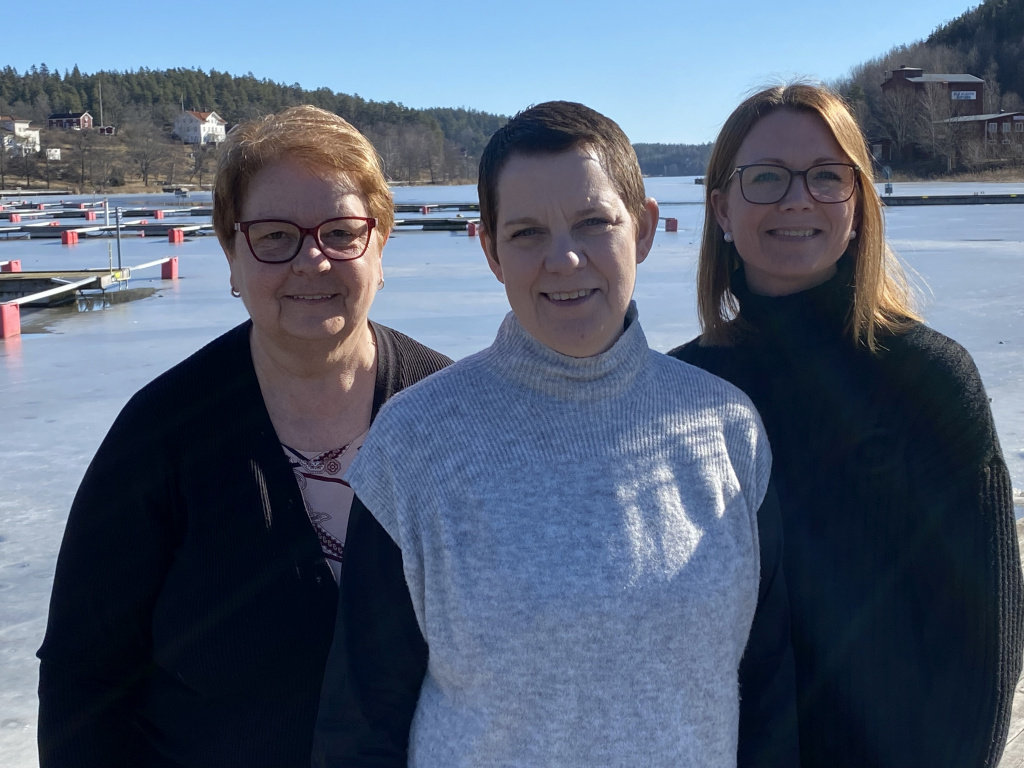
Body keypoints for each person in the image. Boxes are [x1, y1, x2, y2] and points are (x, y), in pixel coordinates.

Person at [313, 101, 797, 768]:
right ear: (489, 250)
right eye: (527, 234)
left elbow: (768, 695)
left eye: (594, 223)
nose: (565, 259)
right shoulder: (414, 445)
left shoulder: (728, 432)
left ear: (646, 229)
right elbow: (361, 724)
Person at [36, 105, 452, 768]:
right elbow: (83, 683)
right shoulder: (161, 435)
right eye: (275, 236)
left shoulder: (454, 420)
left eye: (342, 232)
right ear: (231, 254)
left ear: (382, 247)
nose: (312, 260)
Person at [670, 83, 1024, 768]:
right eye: (765, 178)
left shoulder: (930, 380)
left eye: (827, 177)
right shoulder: (679, 395)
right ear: (721, 208)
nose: (797, 198)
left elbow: (986, 640)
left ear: (858, 206)